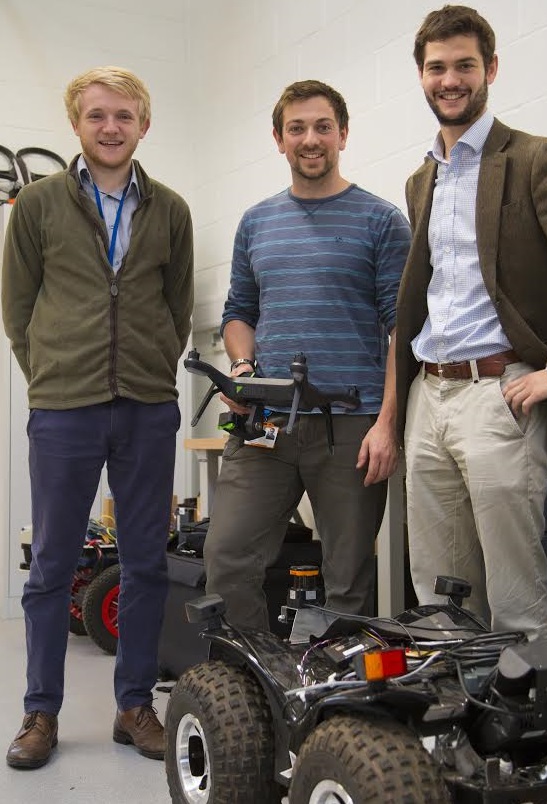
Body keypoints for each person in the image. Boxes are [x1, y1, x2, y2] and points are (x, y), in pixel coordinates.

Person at [395, 5, 547, 641]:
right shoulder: (421, 180)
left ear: (490, 68)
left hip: (499, 394)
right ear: (420, 76)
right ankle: (456, 727)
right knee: (438, 589)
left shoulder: (533, 159)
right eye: (437, 67)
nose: (451, 79)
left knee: (514, 594)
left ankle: (528, 734)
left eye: (464, 65)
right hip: (428, 394)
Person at [2, 66, 194, 769]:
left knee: (145, 563)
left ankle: (135, 704)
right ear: (76, 124)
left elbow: (176, 312)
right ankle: (40, 712)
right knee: (51, 567)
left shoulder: (170, 208)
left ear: (144, 124)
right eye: (97, 116)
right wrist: (54, 375)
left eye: (124, 115)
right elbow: (18, 311)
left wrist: (147, 370)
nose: (110, 127)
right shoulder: (38, 206)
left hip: (147, 410)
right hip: (64, 410)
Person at [205, 79, 411, 631]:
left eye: (323, 126)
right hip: (266, 423)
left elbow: (403, 330)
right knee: (226, 558)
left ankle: (334, 702)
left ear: (343, 134)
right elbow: (238, 312)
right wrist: (243, 369)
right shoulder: (256, 222)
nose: (310, 138)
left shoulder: (382, 220)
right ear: (279, 139)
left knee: (347, 579)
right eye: (297, 128)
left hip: (351, 426)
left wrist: (387, 424)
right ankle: (254, 687)